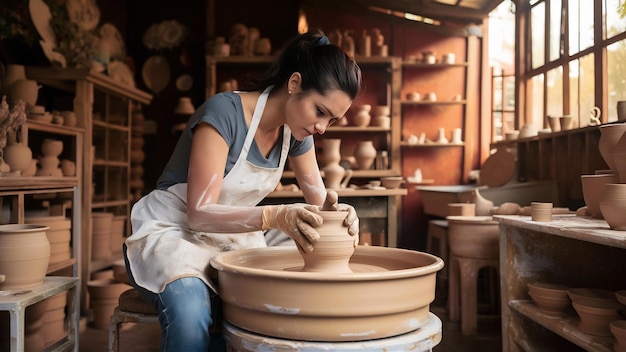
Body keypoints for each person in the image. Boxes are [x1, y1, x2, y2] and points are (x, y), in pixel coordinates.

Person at [123, 30, 362, 352]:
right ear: (294, 84)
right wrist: (275, 215)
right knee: (191, 312)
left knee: (268, 306)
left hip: (228, 238)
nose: (321, 127)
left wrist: (342, 215)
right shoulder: (225, 113)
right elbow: (200, 213)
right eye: (320, 112)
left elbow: (321, 202)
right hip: (171, 233)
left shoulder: (297, 132)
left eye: (331, 121)